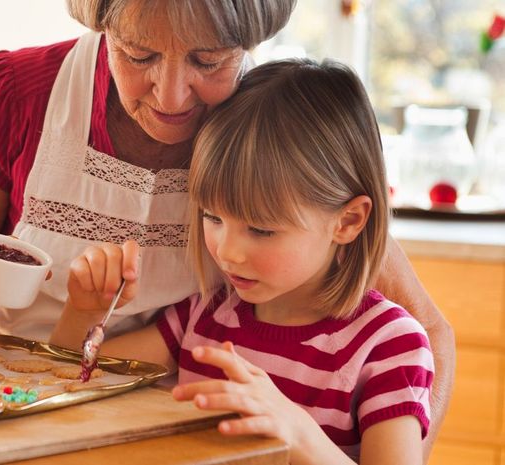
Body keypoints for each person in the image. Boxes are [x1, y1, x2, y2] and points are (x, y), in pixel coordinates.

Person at [0, 0, 453, 457]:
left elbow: (426, 332)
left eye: (208, 60)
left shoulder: (274, 134)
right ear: (103, 26)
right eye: (139, 55)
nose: (172, 96)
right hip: (30, 415)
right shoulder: (18, 94)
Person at [50, 58, 433, 465]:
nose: (228, 252)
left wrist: (297, 431)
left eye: (262, 230)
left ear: (348, 221)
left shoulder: (388, 347)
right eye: (212, 217)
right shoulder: (205, 317)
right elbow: (74, 379)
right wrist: (84, 312)